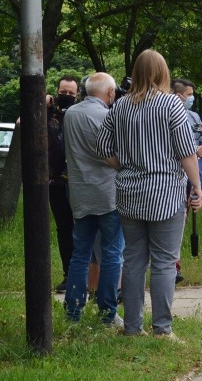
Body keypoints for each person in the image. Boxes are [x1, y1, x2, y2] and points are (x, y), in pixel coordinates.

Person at [97, 49, 202, 340]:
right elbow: (186, 152)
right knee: (165, 261)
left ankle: (132, 328)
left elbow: (103, 148)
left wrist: (128, 165)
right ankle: (162, 329)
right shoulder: (171, 104)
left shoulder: (119, 106)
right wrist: (196, 186)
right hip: (165, 192)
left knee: (133, 260)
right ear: (163, 73)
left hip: (129, 192)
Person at [63, 72, 124, 327]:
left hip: (79, 193)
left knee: (81, 254)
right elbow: (116, 154)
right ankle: (108, 313)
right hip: (107, 194)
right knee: (112, 253)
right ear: (110, 93)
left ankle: (73, 312)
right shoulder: (106, 116)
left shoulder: (71, 114)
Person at [172, 78, 202, 282]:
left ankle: (175, 266)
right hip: (171, 176)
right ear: (176, 94)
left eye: (192, 94)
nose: (191, 98)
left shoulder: (194, 116)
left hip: (189, 177)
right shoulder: (165, 113)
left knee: (181, 220)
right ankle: (169, 266)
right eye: (188, 95)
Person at [47, 74, 79, 293]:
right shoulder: (49, 114)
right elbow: (23, 123)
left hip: (78, 181)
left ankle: (85, 275)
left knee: (83, 229)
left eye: (71, 93)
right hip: (55, 182)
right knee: (64, 228)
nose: (66, 96)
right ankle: (69, 274)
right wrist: (42, 101)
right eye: (63, 91)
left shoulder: (78, 114)